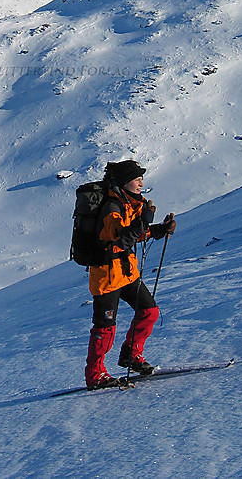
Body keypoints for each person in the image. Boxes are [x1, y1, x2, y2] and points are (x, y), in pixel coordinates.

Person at [84, 159, 176, 390]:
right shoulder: (111, 208)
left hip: (126, 273)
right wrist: (143, 222)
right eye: (137, 179)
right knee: (104, 328)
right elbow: (119, 240)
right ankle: (95, 374)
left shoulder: (130, 204)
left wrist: (158, 230)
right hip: (106, 276)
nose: (141, 183)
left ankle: (130, 355)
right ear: (125, 183)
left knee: (149, 312)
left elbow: (134, 236)